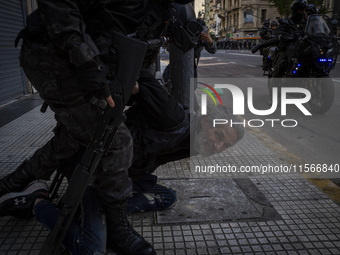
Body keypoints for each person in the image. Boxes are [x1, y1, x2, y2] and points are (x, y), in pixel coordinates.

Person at [0, 1, 198, 254]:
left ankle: (15, 185)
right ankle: (116, 229)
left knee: (75, 135)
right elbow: (63, 11)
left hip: (87, 67)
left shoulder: (165, 7)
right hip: (56, 58)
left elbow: (140, 46)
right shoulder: (174, 121)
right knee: (114, 138)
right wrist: (90, 65)